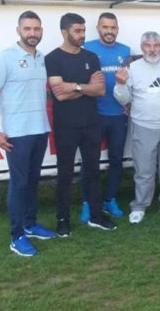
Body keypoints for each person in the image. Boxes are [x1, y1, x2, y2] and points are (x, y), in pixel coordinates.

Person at [0, 10, 56, 256]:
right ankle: (17, 237)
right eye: (27, 29)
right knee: (19, 183)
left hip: (40, 129)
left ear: (41, 31)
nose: (32, 33)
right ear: (18, 31)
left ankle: (30, 224)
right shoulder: (3, 57)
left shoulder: (42, 58)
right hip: (17, 133)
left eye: (36, 29)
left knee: (33, 180)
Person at [46, 13, 116, 237]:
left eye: (83, 30)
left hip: (91, 123)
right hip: (65, 126)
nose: (82, 35)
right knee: (65, 174)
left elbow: (100, 90)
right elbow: (59, 94)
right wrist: (86, 87)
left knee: (93, 171)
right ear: (64, 32)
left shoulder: (91, 57)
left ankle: (96, 216)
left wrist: (74, 87)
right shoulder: (53, 58)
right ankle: (63, 220)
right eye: (77, 31)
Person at [113, 31, 160, 225]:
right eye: (148, 46)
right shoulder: (132, 68)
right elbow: (123, 98)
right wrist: (120, 84)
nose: (152, 50)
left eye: (156, 46)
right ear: (142, 48)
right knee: (144, 170)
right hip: (143, 126)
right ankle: (140, 206)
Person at [82, 12, 130, 222]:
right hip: (95, 115)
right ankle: (87, 203)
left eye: (113, 27)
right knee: (89, 162)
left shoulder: (125, 51)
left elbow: (129, 81)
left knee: (116, 160)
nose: (109, 31)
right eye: (105, 27)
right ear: (98, 28)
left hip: (119, 115)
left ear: (117, 29)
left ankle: (110, 199)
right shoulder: (87, 49)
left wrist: (129, 103)